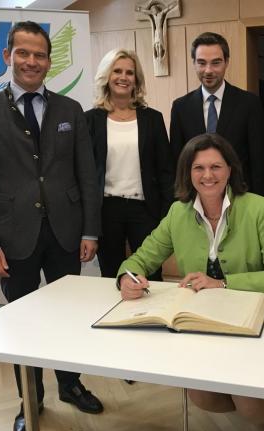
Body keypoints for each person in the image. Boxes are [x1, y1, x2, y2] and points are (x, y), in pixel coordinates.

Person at [0, 21, 104, 431]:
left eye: (39, 55)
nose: (31, 61)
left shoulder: (70, 111)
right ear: (8, 57)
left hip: (66, 233)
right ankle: (31, 399)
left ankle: (70, 384)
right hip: (13, 238)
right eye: (23, 53)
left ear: (48, 61)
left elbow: (87, 175)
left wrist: (91, 232)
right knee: (22, 324)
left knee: (68, 318)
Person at [117, 133, 264, 431]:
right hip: (197, 322)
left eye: (216, 166)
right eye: (198, 167)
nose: (207, 175)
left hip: (247, 320)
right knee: (202, 396)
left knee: (247, 398)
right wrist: (126, 278)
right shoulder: (177, 213)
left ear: (230, 170)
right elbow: (139, 259)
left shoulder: (258, 209)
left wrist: (223, 283)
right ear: (188, 172)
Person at [85, 49, 174, 281]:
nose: (123, 77)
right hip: (106, 211)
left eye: (129, 72)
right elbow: (84, 174)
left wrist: (166, 215)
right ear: (106, 76)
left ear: (137, 79)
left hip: (144, 209)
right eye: (117, 71)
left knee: (152, 273)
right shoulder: (90, 120)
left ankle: (153, 318)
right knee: (111, 275)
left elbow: (165, 170)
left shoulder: (152, 119)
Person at [170, 32, 264, 196]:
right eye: (202, 63)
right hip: (195, 198)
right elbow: (178, 162)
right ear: (193, 63)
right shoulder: (180, 107)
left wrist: (261, 204)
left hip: (239, 196)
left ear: (226, 62)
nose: (208, 70)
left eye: (216, 63)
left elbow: (257, 162)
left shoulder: (249, 104)